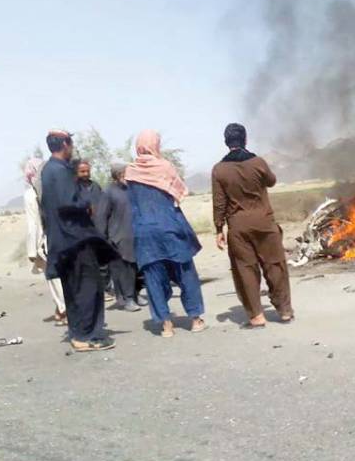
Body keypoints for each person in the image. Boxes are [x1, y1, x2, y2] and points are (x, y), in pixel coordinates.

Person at [40, 130, 117, 351]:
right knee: (87, 287)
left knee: (74, 289)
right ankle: (89, 337)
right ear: (65, 144)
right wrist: (86, 204)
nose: (72, 147)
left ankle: (78, 335)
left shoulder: (48, 170)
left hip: (63, 240)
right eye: (70, 143)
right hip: (75, 240)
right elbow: (67, 202)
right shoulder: (60, 171)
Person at [211, 123, 293, 329]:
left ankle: (256, 316)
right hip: (264, 222)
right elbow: (271, 181)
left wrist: (218, 229)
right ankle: (284, 310)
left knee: (245, 269)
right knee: (275, 264)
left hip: (238, 226)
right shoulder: (258, 162)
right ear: (245, 140)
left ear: (226, 142)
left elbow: (219, 202)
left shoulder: (219, 170)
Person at [125, 129, 205, 338]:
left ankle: (166, 325)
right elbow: (179, 193)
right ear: (155, 145)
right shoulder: (164, 167)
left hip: (145, 233)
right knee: (186, 273)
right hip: (170, 227)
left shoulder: (130, 172)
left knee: (153, 278)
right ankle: (195, 319)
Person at [23, 158, 67, 325]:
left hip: (47, 241)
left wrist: (32, 252)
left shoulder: (31, 194)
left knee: (55, 279)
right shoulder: (55, 187)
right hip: (63, 237)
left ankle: (65, 311)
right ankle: (60, 311)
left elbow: (33, 224)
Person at [94, 163, 141, 312]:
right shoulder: (108, 192)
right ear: (119, 175)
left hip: (133, 234)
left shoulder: (132, 190)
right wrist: (103, 240)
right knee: (123, 269)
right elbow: (101, 217)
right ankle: (127, 299)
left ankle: (132, 295)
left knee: (133, 267)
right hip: (117, 237)